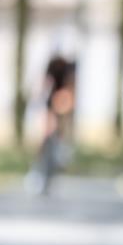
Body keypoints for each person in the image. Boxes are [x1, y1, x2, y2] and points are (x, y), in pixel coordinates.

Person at [25, 53, 76, 195]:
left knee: (56, 145)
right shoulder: (54, 68)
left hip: (60, 111)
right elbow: (45, 88)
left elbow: (68, 93)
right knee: (45, 144)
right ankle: (40, 174)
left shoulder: (68, 70)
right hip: (51, 109)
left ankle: (49, 175)